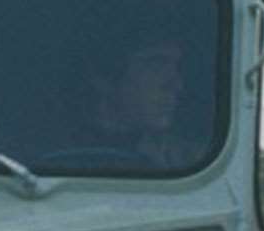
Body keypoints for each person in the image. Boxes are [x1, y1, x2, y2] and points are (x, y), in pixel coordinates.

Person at [77, 33, 193, 171]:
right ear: (105, 78)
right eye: (156, 65)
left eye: (176, 67)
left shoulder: (190, 163)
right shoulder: (56, 155)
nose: (176, 85)